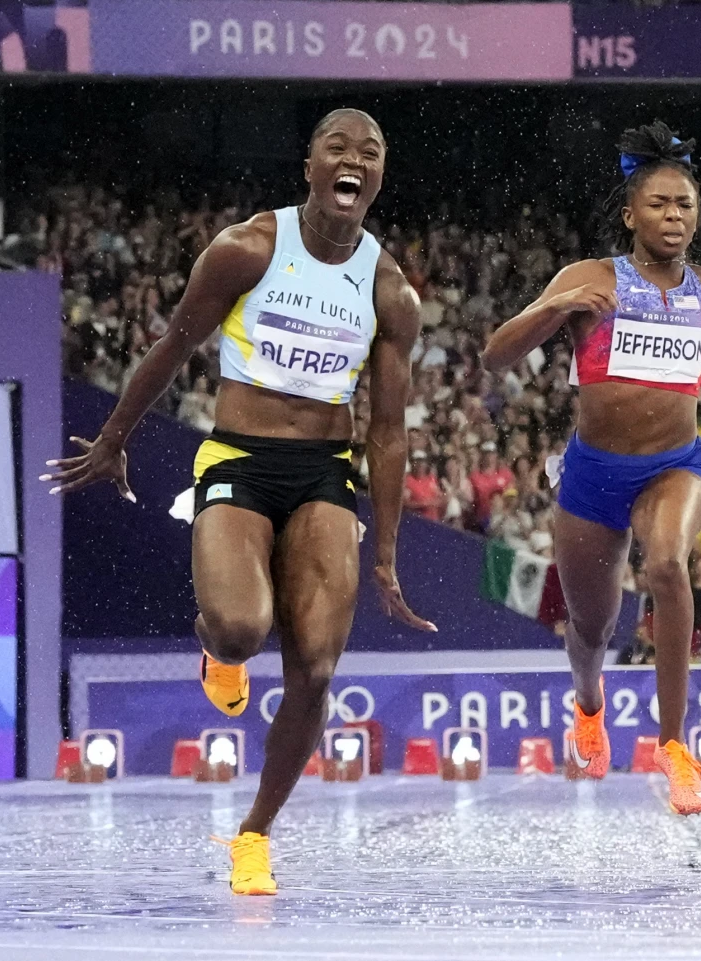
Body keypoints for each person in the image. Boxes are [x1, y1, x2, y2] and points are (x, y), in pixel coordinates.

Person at [40, 108, 433, 894]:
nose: (354, 159)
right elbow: (174, 344)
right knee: (240, 626)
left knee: (316, 666)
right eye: (337, 147)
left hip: (324, 471)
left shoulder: (390, 291)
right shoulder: (247, 249)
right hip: (239, 458)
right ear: (310, 167)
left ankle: (253, 833)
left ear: (380, 176)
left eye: (370, 152)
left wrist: (387, 550)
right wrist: (114, 437)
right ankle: (217, 650)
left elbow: (387, 432)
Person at [482, 122, 701, 815]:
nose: (674, 216)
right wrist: (556, 308)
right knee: (592, 628)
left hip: (675, 466)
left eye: (685, 205)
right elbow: (495, 357)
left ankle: (673, 745)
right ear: (630, 215)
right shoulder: (588, 279)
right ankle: (589, 704)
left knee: (668, 566)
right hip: (593, 475)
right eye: (658, 204)